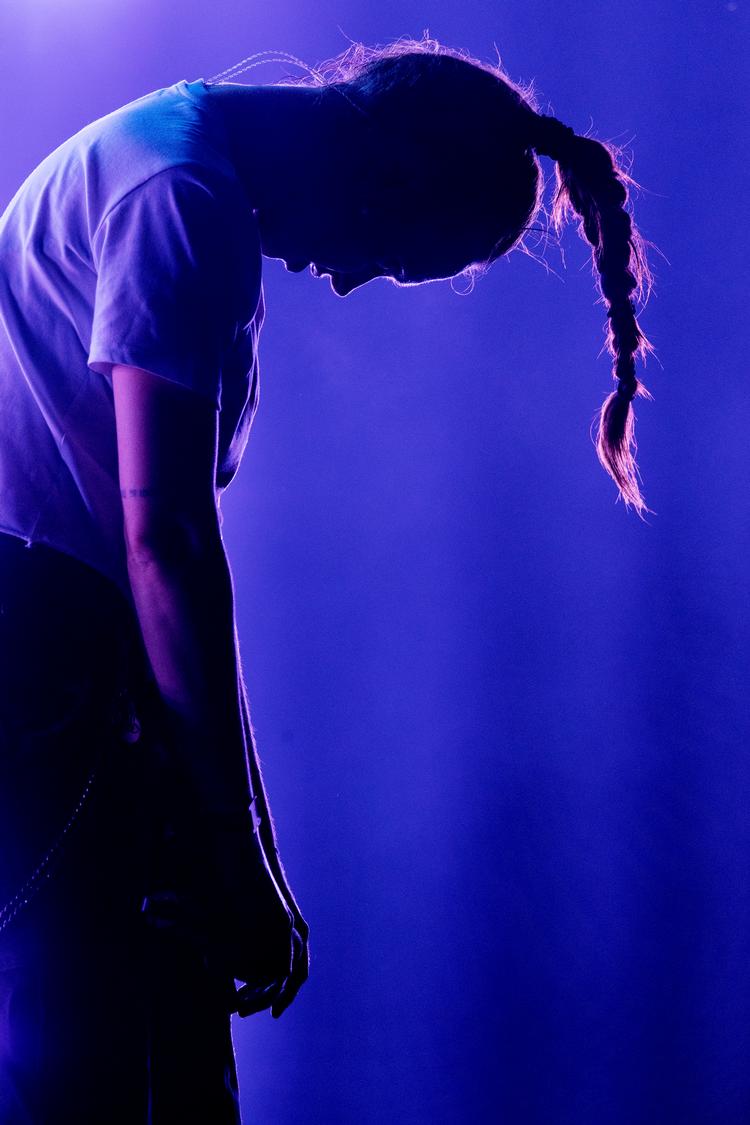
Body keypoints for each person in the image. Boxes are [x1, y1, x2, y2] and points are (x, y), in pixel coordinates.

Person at [0, 33, 653, 1123]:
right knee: (100, 1073)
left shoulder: (182, 166)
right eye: (391, 255)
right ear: (389, 177)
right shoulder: (179, 196)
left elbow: (168, 559)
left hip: (66, 658)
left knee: (147, 1051)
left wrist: (237, 842)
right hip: (38, 660)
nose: (345, 281)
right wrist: (236, 848)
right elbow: (165, 545)